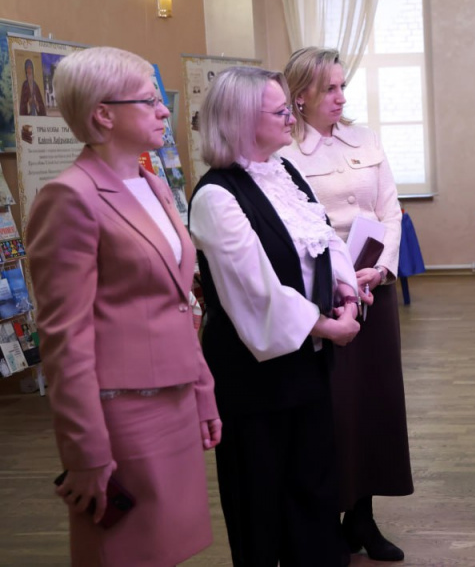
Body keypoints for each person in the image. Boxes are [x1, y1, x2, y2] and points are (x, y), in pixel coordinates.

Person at [25, 46, 221, 566]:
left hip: (174, 396)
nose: (164, 111)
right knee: (126, 551)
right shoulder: (71, 197)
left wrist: (202, 391)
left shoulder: (152, 185)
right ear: (103, 115)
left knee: (169, 547)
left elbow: (178, 301)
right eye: (149, 101)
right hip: (121, 412)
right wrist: (84, 451)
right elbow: (64, 338)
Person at [188, 66, 364, 566]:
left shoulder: (283, 171)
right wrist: (329, 327)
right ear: (242, 121)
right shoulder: (216, 196)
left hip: (307, 359)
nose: (292, 118)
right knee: (259, 498)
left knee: (313, 486)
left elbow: (325, 238)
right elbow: (255, 290)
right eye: (281, 111)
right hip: (254, 374)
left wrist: (347, 291)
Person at [280, 47, 412, 562]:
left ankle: (363, 516)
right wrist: (339, 281)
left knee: (373, 404)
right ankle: (329, 517)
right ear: (300, 97)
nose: (340, 97)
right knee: (334, 409)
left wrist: (381, 269)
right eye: (328, 88)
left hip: (374, 287)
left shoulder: (366, 139)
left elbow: (390, 212)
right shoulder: (285, 154)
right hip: (326, 296)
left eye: (342, 86)